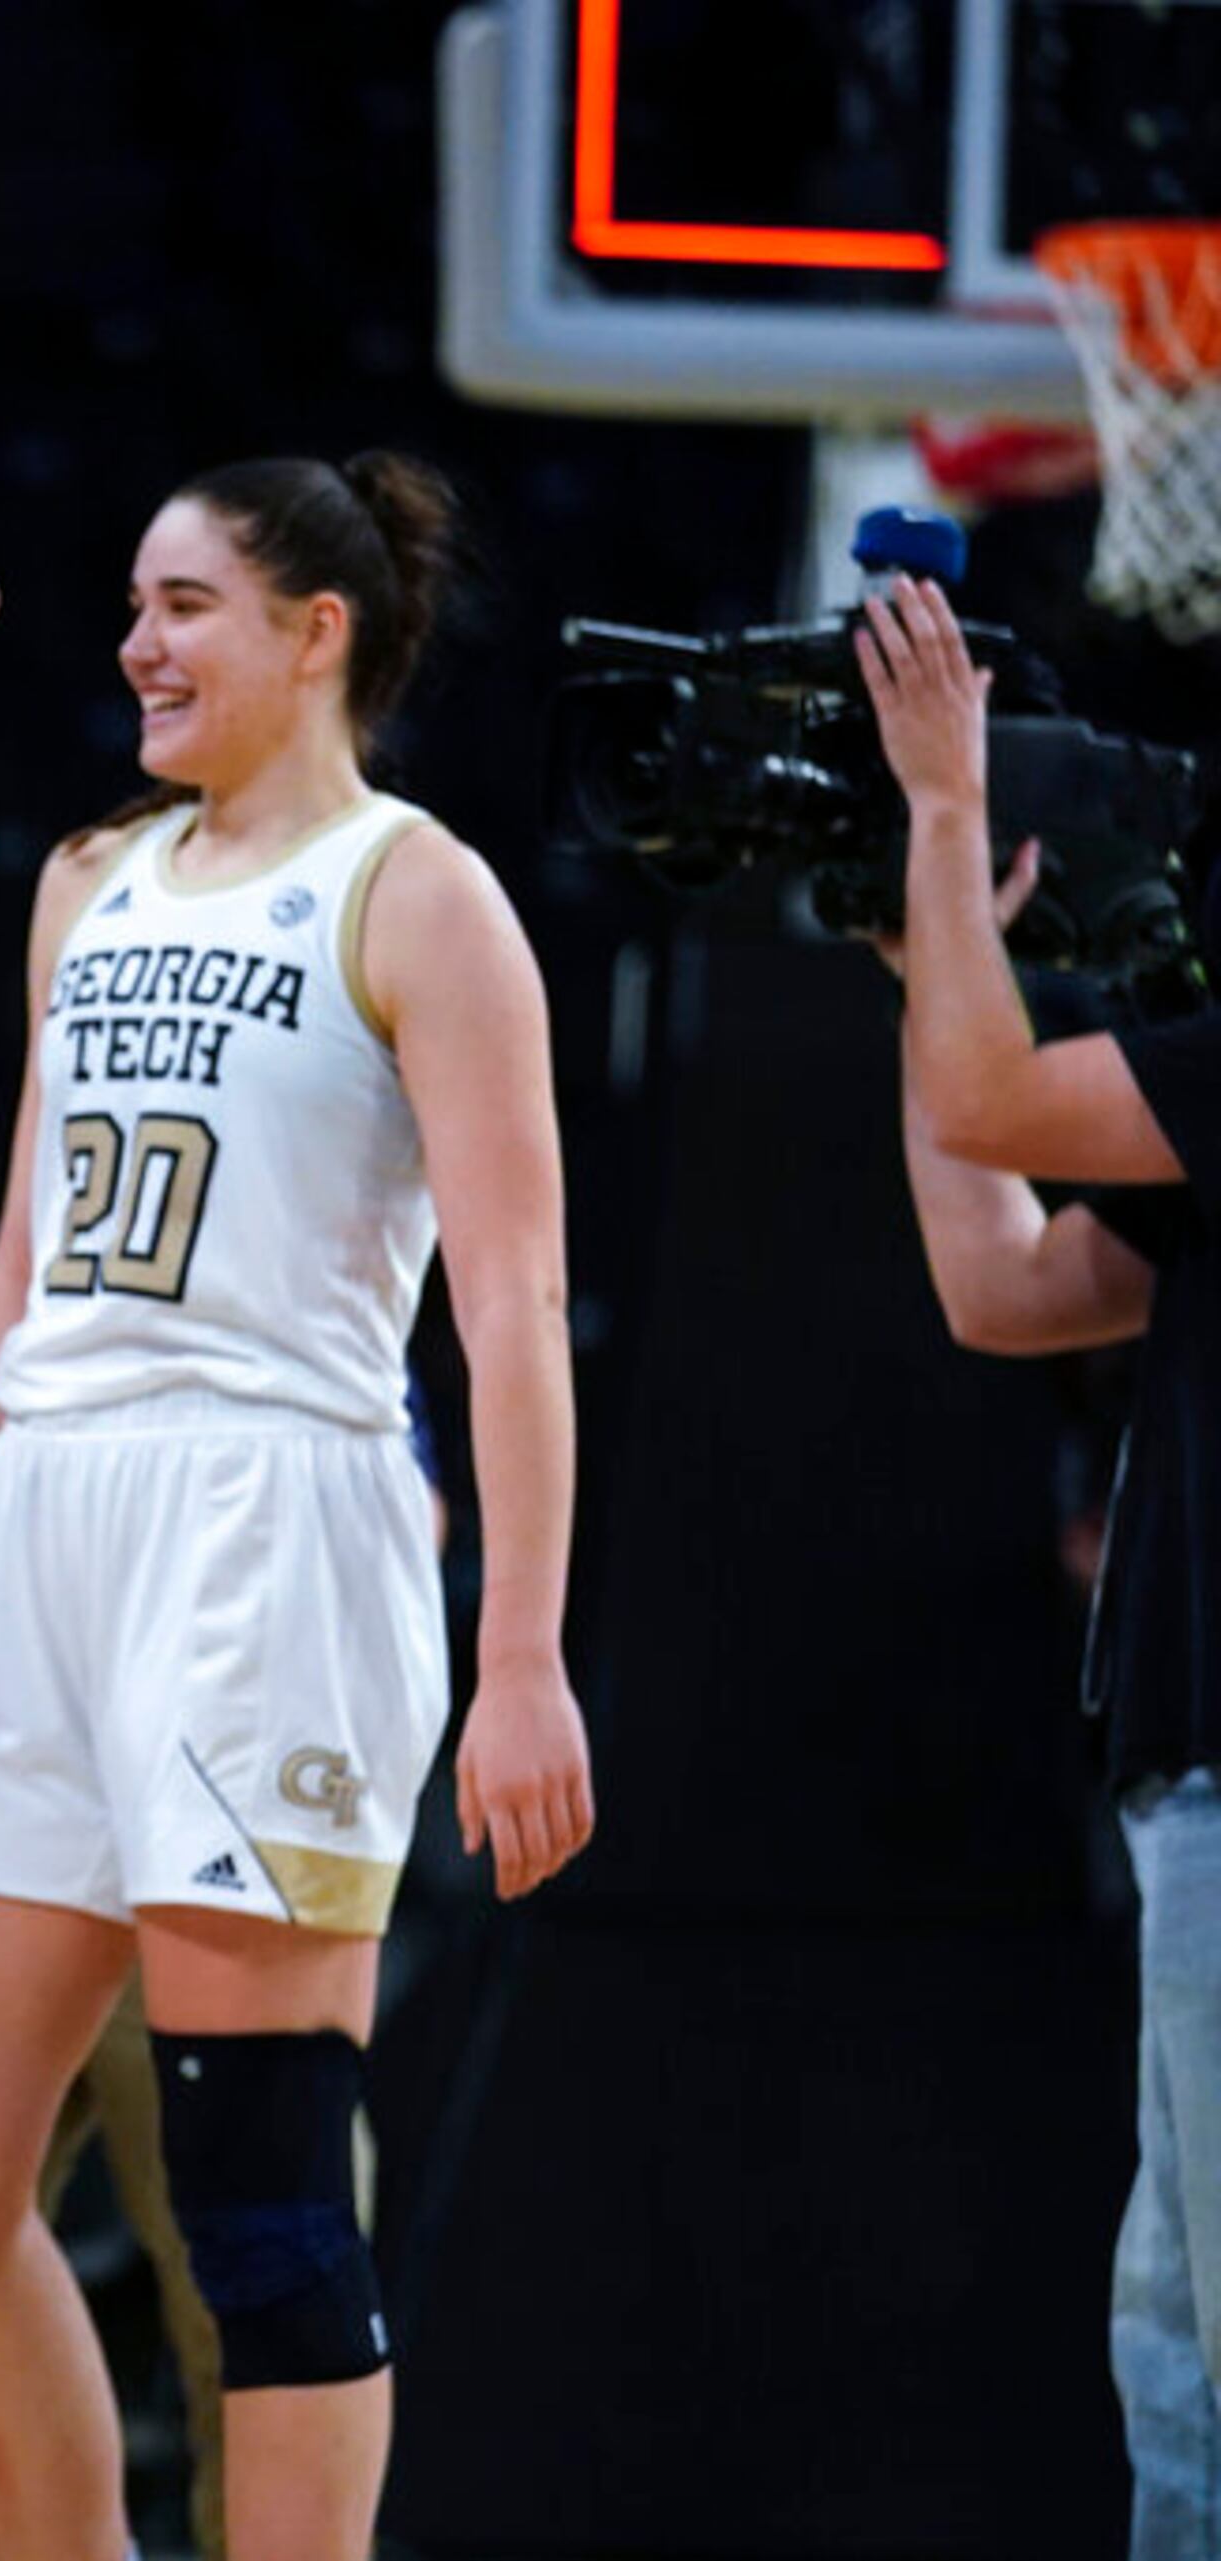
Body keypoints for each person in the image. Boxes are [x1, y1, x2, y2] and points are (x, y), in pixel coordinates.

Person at [0, 454, 594, 2561]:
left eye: (183, 604)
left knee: (258, 2204)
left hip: (278, 1530)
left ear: (314, 632)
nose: (137, 644)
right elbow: (18, 1260)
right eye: (135, 604)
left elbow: (516, 1300)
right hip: (51, 1527)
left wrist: (526, 1653)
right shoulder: (89, 876)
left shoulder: (415, 889)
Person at [857, 572, 1221, 2557]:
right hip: (1187, 1778)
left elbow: (1000, 1100)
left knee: (1205, 2360)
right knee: (1173, 2355)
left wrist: (937, 806)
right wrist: (936, 950)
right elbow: (1004, 1283)